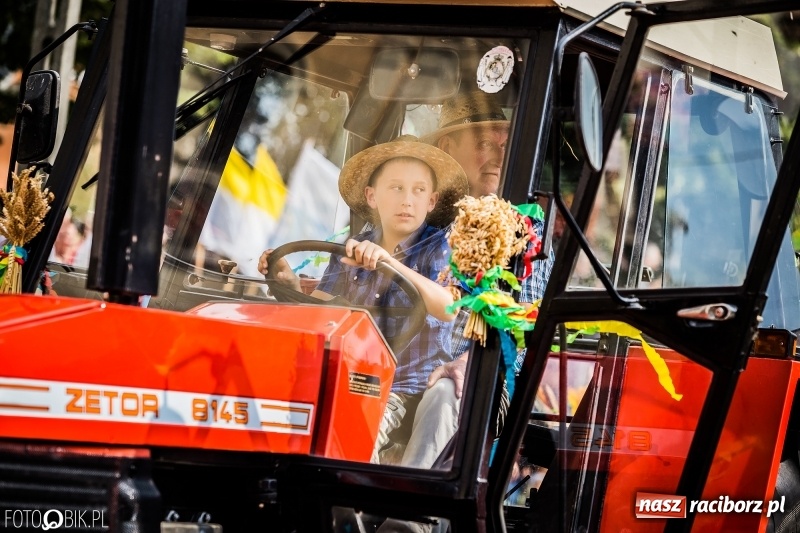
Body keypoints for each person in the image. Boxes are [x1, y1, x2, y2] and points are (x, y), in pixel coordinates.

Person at [258, 135, 469, 463]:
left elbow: (448, 307)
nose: (407, 200)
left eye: (418, 190)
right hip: (348, 377)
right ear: (372, 196)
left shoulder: (438, 248)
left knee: (351, 442)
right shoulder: (353, 245)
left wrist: (389, 262)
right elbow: (325, 311)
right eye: (396, 188)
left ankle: (365, 507)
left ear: (432, 201)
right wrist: (289, 283)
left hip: (404, 384)